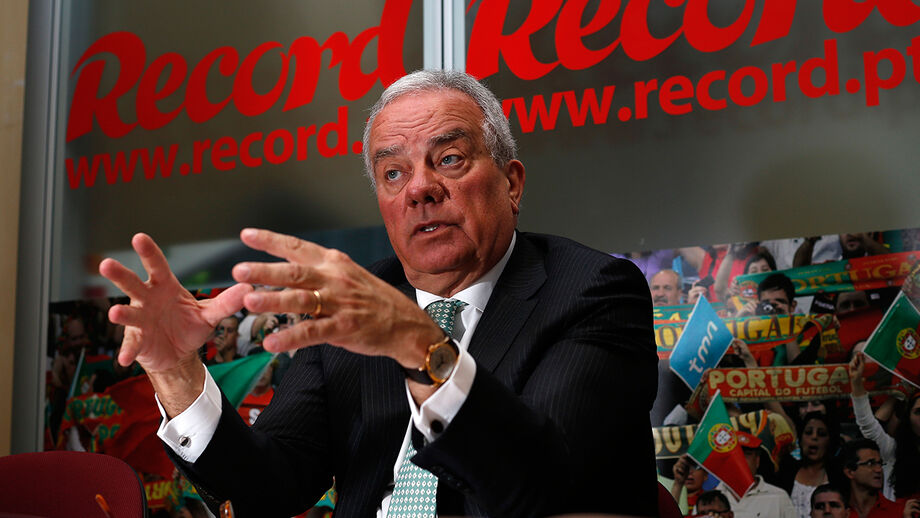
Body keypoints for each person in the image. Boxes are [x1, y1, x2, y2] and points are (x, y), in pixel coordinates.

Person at [98, 69, 658, 517]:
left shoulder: (590, 291)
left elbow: (543, 484)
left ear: (511, 183)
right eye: (393, 173)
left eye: (449, 159)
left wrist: (419, 345)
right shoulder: (355, 304)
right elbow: (269, 487)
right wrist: (177, 372)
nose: (420, 188)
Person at [849, 353, 920, 501]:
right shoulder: (893, 451)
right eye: (918, 412)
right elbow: (867, 425)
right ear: (908, 417)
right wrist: (857, 384)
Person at [716, 431, 796, 518]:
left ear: (757, 460)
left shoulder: (779, 497)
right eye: (734, 454)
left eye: (746, 454)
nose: (740, 460)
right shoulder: (711, 498)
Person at [840, 439, 901, 518]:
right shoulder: (836, 512)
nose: (879, 469)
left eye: (879, 463)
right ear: (850, 472)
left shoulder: (899, 512)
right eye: (870, 463)